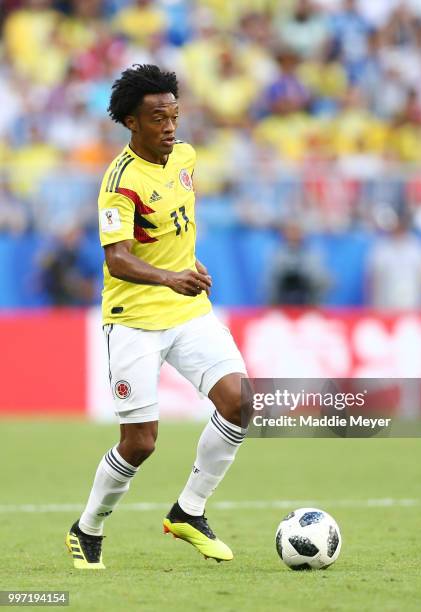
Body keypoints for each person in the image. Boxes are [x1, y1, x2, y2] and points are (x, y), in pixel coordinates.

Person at [66, 64, 249, 569]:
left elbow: (174, 226)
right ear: (131, 122)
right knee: (140, 442)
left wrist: (185, 263)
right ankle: (88, 528)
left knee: (240, 401)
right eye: (157, 118)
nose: (170, 126)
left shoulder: (186, 157)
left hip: (189, 311)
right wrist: (170, 276)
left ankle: (189, 511)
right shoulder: (118, 181)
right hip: (133, 321)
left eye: (174, 115)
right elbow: (117, 258)